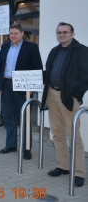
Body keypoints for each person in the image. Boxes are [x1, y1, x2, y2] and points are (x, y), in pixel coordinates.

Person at [41, 22, 88, 187]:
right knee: (58, 132)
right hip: (52, 95)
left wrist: (76, 94)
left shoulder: (81, 51)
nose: (61, 35)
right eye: (59, 32)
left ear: (72, 34)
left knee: (73, 135)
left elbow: (85, 76)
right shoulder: (55, 51)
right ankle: (63, 165)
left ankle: (79, 172)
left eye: (65, 32)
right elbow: (48, 72)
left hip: (68, 97)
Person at [0, 23, 42, 160]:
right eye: (11, 33)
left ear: (22, 34)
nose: (13, 36)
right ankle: (11, 145)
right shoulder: (5, 46)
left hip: (23, 87)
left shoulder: (31, 47)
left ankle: (26, 148)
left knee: (25, 118)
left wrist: (32, 86)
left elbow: (37, 67)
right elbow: (0, 67)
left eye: (16, 33)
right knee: (8, 117)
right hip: (7, 84)